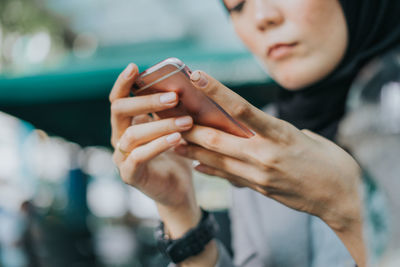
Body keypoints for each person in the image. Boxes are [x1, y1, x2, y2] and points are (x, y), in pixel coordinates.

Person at [109, 0, 400, 266]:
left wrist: (347, 208)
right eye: (236, 6)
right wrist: (179, 210)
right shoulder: (255, 134)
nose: (262, 17)